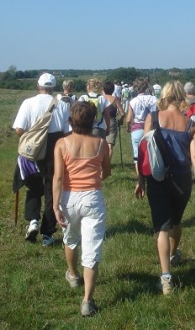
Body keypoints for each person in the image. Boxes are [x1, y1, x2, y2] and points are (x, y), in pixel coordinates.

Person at [134, 81, 195, 295]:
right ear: (182, 97)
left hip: (157, 178)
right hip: (182, 180)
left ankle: (166, 278)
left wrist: (140, 179)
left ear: (165, 96)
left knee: (162, 227)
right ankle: (173, 254)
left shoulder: (153, 118)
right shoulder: (190, 124)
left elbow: (143, 150)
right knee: (175, 222)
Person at [53, 101, 111, 316]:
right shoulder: (101, 143)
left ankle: (73, 274)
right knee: (92, 248)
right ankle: (87, 300)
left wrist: (54, 205)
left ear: (71, 119)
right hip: (92, 196)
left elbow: (58, 176)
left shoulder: (61, 143)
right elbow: (106, 172)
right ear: (93, 120)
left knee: (70, 238)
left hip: (69, 197)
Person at [12, 73, 71, 246]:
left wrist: (33, 137)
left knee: (33, 187)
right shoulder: (61, 104)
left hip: (32, 150)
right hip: (54, 148)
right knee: (52, 190)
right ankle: (48, 233)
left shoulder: (28, 103)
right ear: (53, 88)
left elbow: (19, 130)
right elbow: (67, 131)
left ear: (38, 86)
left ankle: (33, 221)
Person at [126, 77, 157, 175]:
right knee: (152, 152)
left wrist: (128, 127)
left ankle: (140, 178)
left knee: (137, 155)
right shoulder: (153, 99)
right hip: (152, 127)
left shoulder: (133, 101)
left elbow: (129, 119)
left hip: (137, 128)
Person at [103, 81, 125, 161]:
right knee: (110, 145)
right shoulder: (115, 100)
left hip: (101, 121)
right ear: (113, 90)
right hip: (112, 121)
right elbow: (122, 113)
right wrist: (121, 121)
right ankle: (107, 164)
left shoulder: (100, 98)